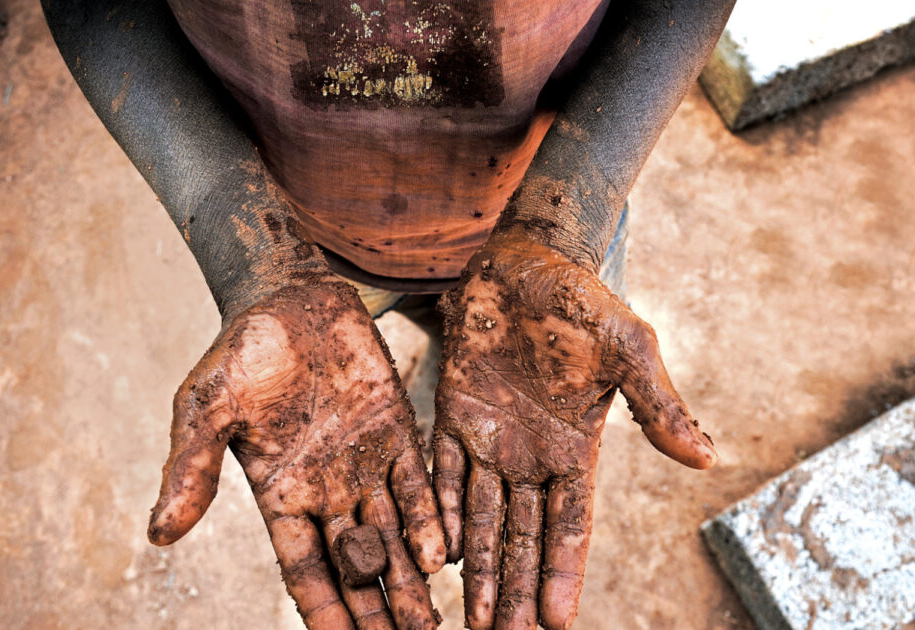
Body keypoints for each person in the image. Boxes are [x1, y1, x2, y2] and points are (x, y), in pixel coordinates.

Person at [42, 1, 734, 628]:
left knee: (485, 383)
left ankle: (442, 393)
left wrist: (568, 212)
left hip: (544, 250)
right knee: (376, 397)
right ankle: (428, 407)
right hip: (296, 239)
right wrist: (253, 259)